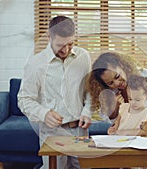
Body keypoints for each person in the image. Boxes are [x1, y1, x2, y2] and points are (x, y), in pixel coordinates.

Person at [18, 15, 92, 169]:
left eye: (70, 44)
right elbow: (24, 99)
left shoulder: (83, 57)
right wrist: (43, 114)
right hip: (53, 133)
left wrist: (87, 110)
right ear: (49, 36)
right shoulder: (35, 63)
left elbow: (90, 91)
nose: (65, 50)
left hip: (80, 130)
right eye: (60, 45)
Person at [87, 52, 147, 169]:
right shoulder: (108, 93)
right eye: (110, 83)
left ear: (122, 65)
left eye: (117, 76)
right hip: (126, 138)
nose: (117, 83)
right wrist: (114, 106)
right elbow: (113, 120)